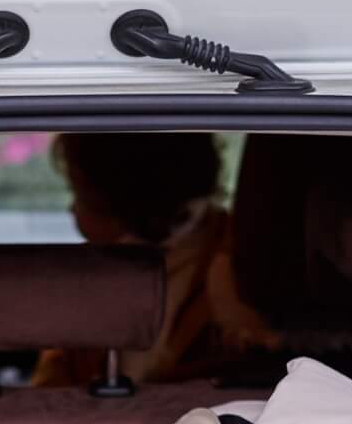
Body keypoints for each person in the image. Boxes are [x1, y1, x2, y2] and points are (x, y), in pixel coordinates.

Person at [34, 132, 273, 387]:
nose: (71, 209)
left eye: (78, 193)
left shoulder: (245, 274)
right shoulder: (88, 280)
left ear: (112, 197)